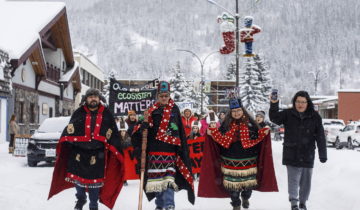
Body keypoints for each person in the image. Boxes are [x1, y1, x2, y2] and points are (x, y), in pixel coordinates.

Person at [48, 88, 125, 210]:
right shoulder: (79, 112)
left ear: (99, 99)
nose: (93, 98)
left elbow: (113, 133)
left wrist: (118, 145)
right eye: (90, 96)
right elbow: (70, 129)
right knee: (78, 181)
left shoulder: (106, 113)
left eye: (95, 96)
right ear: (86, 99)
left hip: (97, 154)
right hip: (78, 153)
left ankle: (93, 205)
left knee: (94, 182)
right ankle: (81, 198)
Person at [198, 96, 278, 210]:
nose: (236, 113)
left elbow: (258, 136)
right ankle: (236, 204)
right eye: (234, 111)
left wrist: (264, 132)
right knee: (233, 188)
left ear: (243, 110)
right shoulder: (225, 125)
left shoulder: (251, 124)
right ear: (231, 112)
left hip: (249, 162)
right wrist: (211, 133)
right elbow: (219, 138)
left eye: (238, 110)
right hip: (229, 162)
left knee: (248, 187)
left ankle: (245, 198)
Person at [131, 81, 195, 210]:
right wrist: (142, 127)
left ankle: (169, 205)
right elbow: (138, 130)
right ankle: (160, 205)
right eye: (161, 96)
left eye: (166, 95)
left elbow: (180, 132)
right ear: (157, 96)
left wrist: (180, 149)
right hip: (154, 151)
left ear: (169, 95)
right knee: (157, 182)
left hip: (170, 152)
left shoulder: (175, 110)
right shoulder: (150, 111)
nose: (164, 98)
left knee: (168, 180)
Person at [269, 90, 327, 210]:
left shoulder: (315, 116)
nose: (300, 104)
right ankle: (294, 202)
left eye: (303, 102)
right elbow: (274, 118)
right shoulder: (288, 114)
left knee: (306, 180)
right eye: (298, 102)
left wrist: (323, 154)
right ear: (294, 102)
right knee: (293, 179)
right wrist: (274, 103)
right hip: (292, 152)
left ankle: (303, 202)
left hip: (308, 153)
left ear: (307, 103)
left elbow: (320, 136)